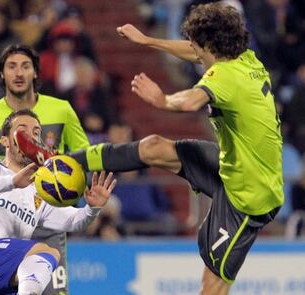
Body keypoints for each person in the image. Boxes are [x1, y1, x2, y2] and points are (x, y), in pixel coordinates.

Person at [20, 3, 284, 295]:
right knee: (153, 147)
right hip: (233, 168)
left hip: (249, 197)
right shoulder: (246, 59)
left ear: (209, 46)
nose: (194, 52)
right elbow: (194, 50)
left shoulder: (224, 77)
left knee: (213, 283)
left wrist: (162, 100)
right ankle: (67, 161)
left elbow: (189, 101)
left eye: (197, 47)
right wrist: (148, 41)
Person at [0, 44, 90, 295]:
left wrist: (90, 199)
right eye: (11, 67)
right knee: (41, 259)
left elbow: (85, 157)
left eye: (25, 66)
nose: (19, 73)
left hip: (43, 203)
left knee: (54, 287)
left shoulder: (61, 109)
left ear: (35, 72)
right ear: (2, 74)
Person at [0, 109, 116, 295]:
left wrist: (93, 208)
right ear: (5, 141)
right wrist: (12, 182)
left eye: (36, 133)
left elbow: (73, 220)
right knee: (48, 251)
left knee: (43, 260)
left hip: (2, 279)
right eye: (22, 130)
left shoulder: (40, 192)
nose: (30, 137)